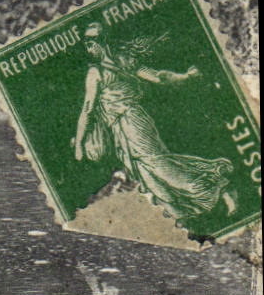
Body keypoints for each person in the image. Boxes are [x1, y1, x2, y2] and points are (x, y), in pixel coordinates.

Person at [72, 23, 238, 221]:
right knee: (146, 175)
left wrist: (185, 77)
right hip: (119, 130)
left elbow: (158, 77)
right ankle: (185, 212)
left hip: (132, 121)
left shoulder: (114, 65)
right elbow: (87, 108)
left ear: (104, 40)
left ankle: (218, 187)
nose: (88, 45)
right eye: (87, 41)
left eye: (93, 40)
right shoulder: (100, 70)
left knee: (159, 166)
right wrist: (80, 143)